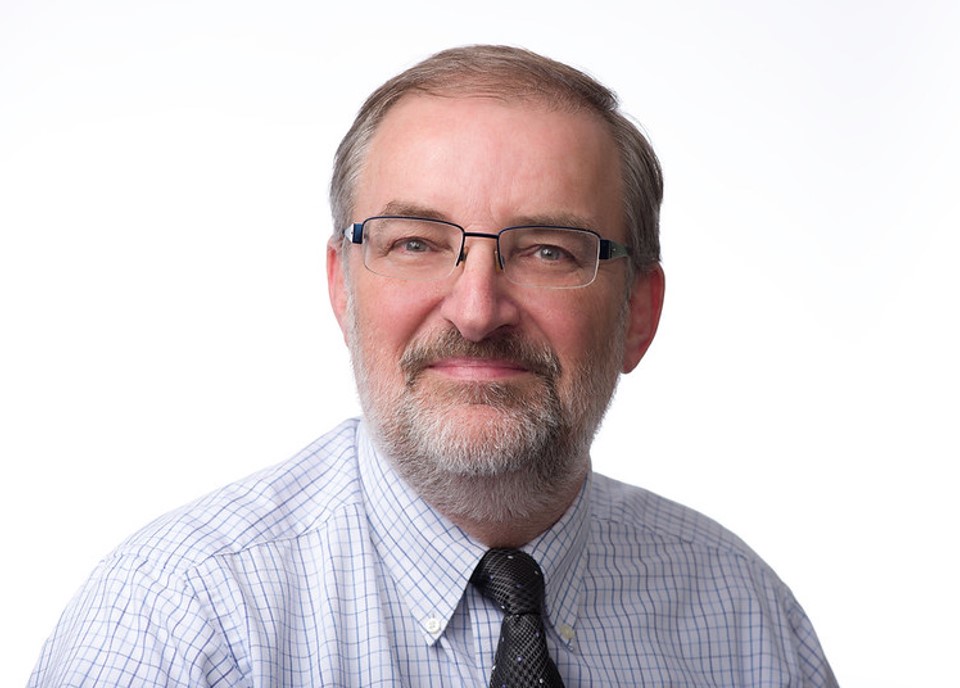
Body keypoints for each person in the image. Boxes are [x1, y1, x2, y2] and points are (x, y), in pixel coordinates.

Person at [29, 45, 837, 687]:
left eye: (549, 251)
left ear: (639, 314)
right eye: (415, 243)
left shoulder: (745, 620)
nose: (478, 309)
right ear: (343, 288)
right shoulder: (177, 622)